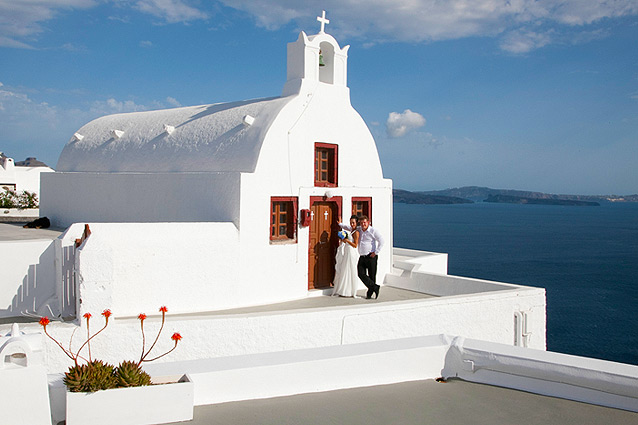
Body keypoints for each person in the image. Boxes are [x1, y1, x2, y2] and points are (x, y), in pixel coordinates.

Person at [355, 215, 384, 299]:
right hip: (362, 256)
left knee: (372, 275)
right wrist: (340, 224)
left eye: (364, 222)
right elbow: (350, 227)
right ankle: (375, 287)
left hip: (371, 256)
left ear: (368, 222)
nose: (363, 224)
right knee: (360, 274)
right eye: (361, 223)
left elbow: (382, 241)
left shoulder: (373, 231)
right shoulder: (359, 230)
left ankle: (370, 293)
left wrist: (376, 252)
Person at [332, 215, 360, 297]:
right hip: (347, 251)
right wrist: (340, 224)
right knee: (345, 269)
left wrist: (346, 240)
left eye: (353, 223)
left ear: (356, 223)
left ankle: (350, 290)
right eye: (351, 222)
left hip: (351, 252)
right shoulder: (351, 230)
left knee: (350, 269)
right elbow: (345, 227)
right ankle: (343, 290)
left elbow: (355, 245)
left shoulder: (356, 233)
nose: (351, 224)